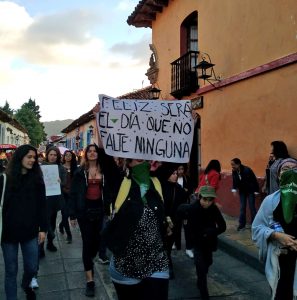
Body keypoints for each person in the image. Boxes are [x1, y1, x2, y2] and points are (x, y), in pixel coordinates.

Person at [104, 158, 169, 300]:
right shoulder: (120, 182)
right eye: (140, 160)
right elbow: (105, 159)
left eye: (147, 160)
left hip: (156, 262)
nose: (145, 163)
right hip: (126, 266)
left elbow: (176, 156)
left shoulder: (156, 181)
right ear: (129, 163)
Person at [0, 144, 47, 300]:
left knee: (32, 267)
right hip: (8, 234)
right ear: (20, 157)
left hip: (30, 232)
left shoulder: (37, 180)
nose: (33, 160)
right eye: (29, 157)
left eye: (34, 157)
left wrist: (43, 229)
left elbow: (42, 206)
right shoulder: (4, 179)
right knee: (11, 271)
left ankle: (26, 284)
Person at [252, 158, 297, 300]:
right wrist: (275, 235)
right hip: (280, 261)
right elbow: (257, 228)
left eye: (294, 168)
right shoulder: (270, 201)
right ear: (278, 175)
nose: (290, 171)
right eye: (285, 169)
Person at [69, 144, 108, 297]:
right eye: (89, 151)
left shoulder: (105, 172)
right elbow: (73, 194)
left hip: (100, 211)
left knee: (97, 244)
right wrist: (72, 214)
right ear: (86, 155)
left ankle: (89, 262)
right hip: (84, 212)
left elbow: (110, 190)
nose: (92, 153)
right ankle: (90, 281)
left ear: (98, 154)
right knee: (87, 244)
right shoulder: (80, 172)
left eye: (95, 151)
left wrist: (110, 206)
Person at [178, 185, 226, 300]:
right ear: (199, 197)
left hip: (209, 243)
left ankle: (201, 279)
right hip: (197, 243)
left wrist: (210, 232)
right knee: (200, 267)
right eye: (205, 199)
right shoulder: (192, 209)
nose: (207, 203)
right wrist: (192, 241)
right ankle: (204, 292)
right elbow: (188, 228)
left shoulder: (214, 209)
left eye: (210, 200)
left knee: (208, 263)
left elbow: (222, 226)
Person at [158, 163, 187, 279]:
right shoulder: (160, 187)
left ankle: (167, 261)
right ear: (167, 175)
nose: (176, 175)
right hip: (162, 220)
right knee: (162, 244)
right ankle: (166, 265)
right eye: (173, 173)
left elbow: (183, 203)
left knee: (168, 246)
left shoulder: (178, 189)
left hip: (174, 222)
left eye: (176, 173)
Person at [41, 146, 66, 254]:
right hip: (44, 199)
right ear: (47, 155)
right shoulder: (41, 167)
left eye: (55, 155)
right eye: (51, 154)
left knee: (52, 221)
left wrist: (61, 182)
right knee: (43, 223)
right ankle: (40, 247)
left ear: (58, 156)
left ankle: (50, 243)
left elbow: (64, 182)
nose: (52, 157)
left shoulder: (61, 168)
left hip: (55, 199)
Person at [231, 158, 259, 231]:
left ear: (238, 164)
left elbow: (254, 180)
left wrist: (256, 191)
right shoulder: (234, 171)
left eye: (233, 165)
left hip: (250, 191)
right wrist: (234, 189)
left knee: (252, 208)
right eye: (231, 165)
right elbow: (234, 180)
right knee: (242, 208)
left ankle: (254, 225)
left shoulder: (247, 170)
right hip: (242, 191)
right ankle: (242, 224)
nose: (232, 166)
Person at [58, 150, 77, 243]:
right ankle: (69, 235)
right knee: (65, 214)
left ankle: (61, 225)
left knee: (69, 213)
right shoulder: (61, 168)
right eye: (66, 155)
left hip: (72, 194)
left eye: (70, 155)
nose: (68, 157)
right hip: (63, 193)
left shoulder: (76, 168)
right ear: (64, 157)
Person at [176, 164, 194, 258]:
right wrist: (184, 190)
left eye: (182, 169)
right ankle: (177, 244)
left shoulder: (186, 178)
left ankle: (189, 248)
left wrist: (186, 191)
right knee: (177, 226)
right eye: (179, 169)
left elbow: (190, 190)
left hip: (186, 206)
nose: (181, 171)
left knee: (187, 227)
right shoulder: (173, 178)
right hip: (176, 207)